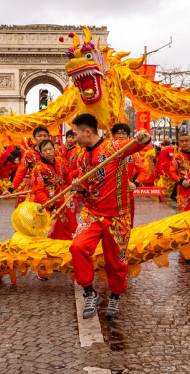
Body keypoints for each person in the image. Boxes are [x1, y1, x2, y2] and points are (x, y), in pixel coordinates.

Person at [69, 114, 151, 320]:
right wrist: (80, 188)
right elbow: (87, 188)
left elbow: (139, 144)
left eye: (75, 133)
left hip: (117, 215)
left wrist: (144, 137)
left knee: (116, 261)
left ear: (87, 131)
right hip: (92, 212)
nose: (74, 137)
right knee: (77, 246)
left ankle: (115, 295)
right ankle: (89, 292)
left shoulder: (115, 146)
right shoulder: (81, 157)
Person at [26, 139, 76, 241]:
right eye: (45, 150)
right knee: (46, 232)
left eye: (50, 149)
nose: (48, 152)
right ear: (41, 153)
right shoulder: (38, 168)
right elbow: (38, 191)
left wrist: (73, 186)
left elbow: (66, 175)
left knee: (59, 230)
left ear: (54, 149)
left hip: (60, 201)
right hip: (45, 205)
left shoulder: (60, 161)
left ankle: (57, 252)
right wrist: (51, 206)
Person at [6, 126, 50, 195]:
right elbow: (20, 173)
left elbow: (64, 171)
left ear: (48, 137)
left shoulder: (55, 152)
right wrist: (10, 189)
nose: (42, 138)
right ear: (34, 138)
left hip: (54, 191)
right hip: (36, 191)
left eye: (45, 136)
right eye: (39, 136)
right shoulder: (29, 154)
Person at [111, 123, 140, 225]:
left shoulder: (135, 153)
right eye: (118, 133)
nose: (121, 136)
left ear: (128, 136)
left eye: (124, 134)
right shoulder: (107, 150)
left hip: (128, 193)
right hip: (111, 194)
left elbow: (143, 171)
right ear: (113, 135)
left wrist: (136, 184)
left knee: (128, 223)